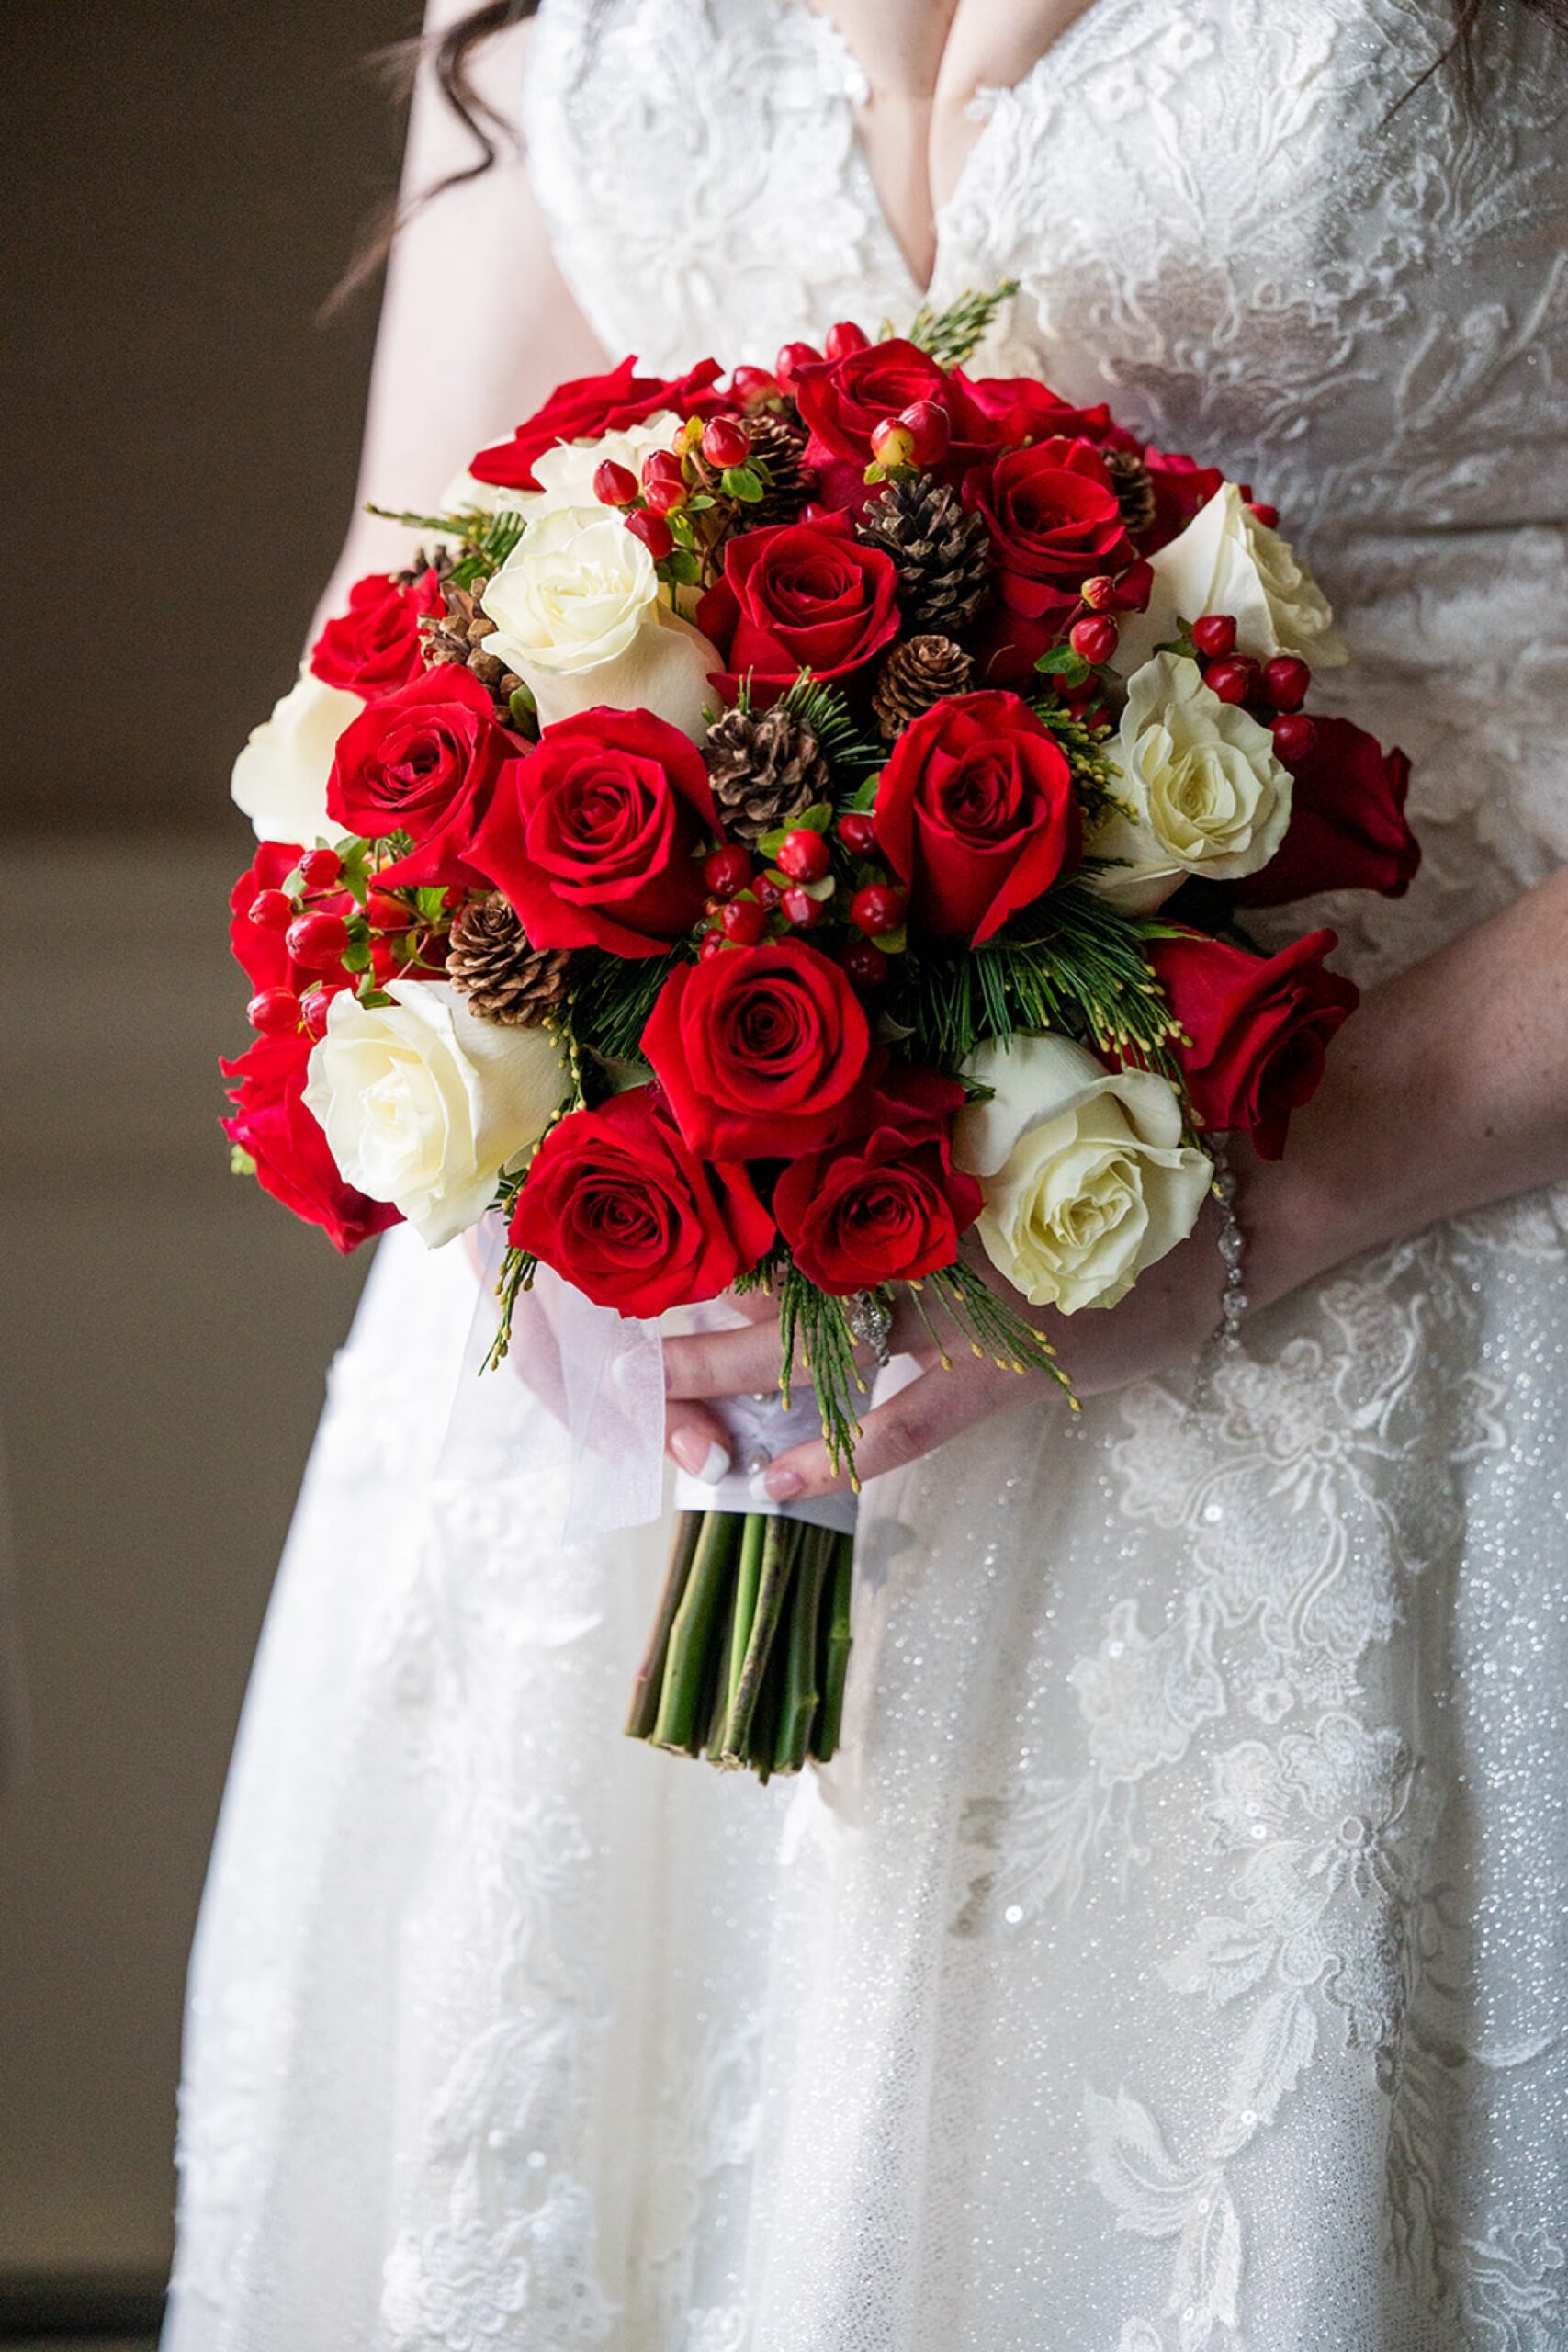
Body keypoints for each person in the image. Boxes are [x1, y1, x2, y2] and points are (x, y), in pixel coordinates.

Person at [166, 4, 1568, 2345]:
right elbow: (401, 593)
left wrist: (1264, 1193)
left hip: (1451, 1254)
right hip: (670, 1355)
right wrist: (533, 1050)